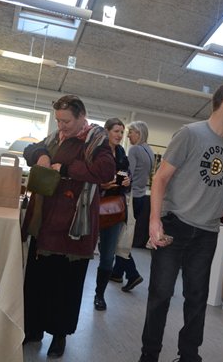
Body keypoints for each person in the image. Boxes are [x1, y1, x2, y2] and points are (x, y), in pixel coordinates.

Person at [139, 83, 223, 362]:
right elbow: (160, 178)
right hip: (174, 225)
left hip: (206, 234)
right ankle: (149, 355)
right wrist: (155, 221)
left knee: (197, 298)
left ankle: (189, 355)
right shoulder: (189, 134)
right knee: (161, 294)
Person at [21, 95, 115, 358]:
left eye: (66, 121)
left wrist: (67, 169)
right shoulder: (54, 138)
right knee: (37, 281)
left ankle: (59, 336)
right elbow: (29, 150)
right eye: (58, 121)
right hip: (44, 222)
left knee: (66, 286)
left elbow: (106, 171)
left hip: (73, 226)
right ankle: (33, 329)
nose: (61, 126)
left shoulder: (95, 140)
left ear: (81, 116)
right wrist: (41, 155)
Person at [111, 121, 153, 292]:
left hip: (130, 197)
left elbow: (129, 175)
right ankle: (116, 273)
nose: (127, 135)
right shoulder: (149, 151)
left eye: (131, 132)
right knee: (126, 234)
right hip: (141, 197)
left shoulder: (135, 150)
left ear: (139, 133)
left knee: (122, 238)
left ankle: (132, 274)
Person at [94, 118, 131, 311]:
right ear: (106, 131)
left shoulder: (122, 153)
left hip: (114, 210)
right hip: (93, 207)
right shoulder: (97, 151)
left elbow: (127, 177)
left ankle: (99, 295)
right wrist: (101, 185)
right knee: (82, 252)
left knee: (108, 256)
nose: (119, 135)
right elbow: (89, 177)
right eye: (116, 131)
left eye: (121, 132)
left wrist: (127, 182)